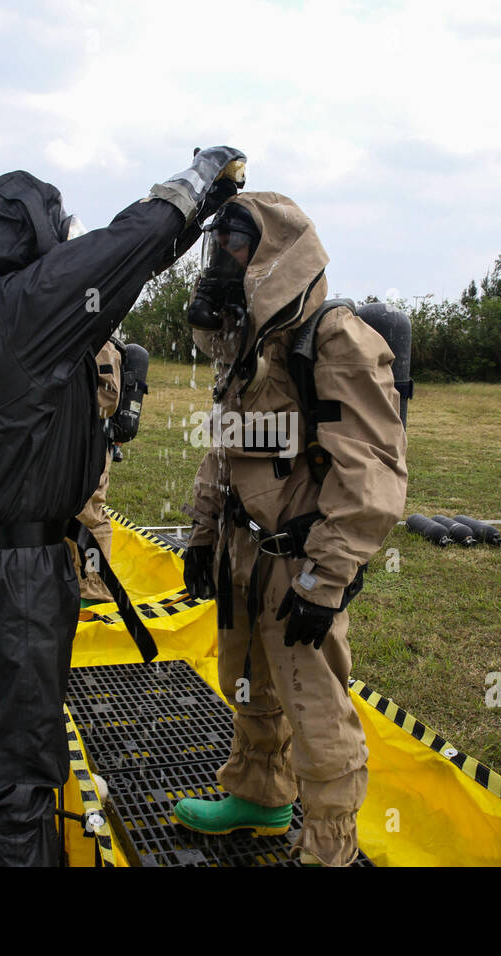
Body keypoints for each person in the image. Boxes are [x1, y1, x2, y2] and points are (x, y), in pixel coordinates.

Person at [0, 147, 247, 867]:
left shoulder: (4, 305)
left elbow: (119, 267)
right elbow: (120, 251)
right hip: (10, 578)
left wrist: (191, 216)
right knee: (17, 768)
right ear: (37, 237)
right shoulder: (23, 308)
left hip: (6, 560)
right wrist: (193, 186)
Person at [174, 193, 408, 866]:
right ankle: (258, 794)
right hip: (245, 549)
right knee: (246, 680)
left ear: (276, 255)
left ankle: (329, 847)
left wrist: (326, 580)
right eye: (220, 247)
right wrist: (201, 535)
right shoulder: (247, 343)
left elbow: (372, 473)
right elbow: (225, 447)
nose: (224, 261)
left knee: (313, 707)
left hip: (302, 558)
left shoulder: (333, 338)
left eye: (236, 247)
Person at [74, 337, 124, 605]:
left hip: (91, 441)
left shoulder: (100, 343)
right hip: (68, 441)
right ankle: (71, 576)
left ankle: (94, 587)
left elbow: (109, 399)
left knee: (90, 512)